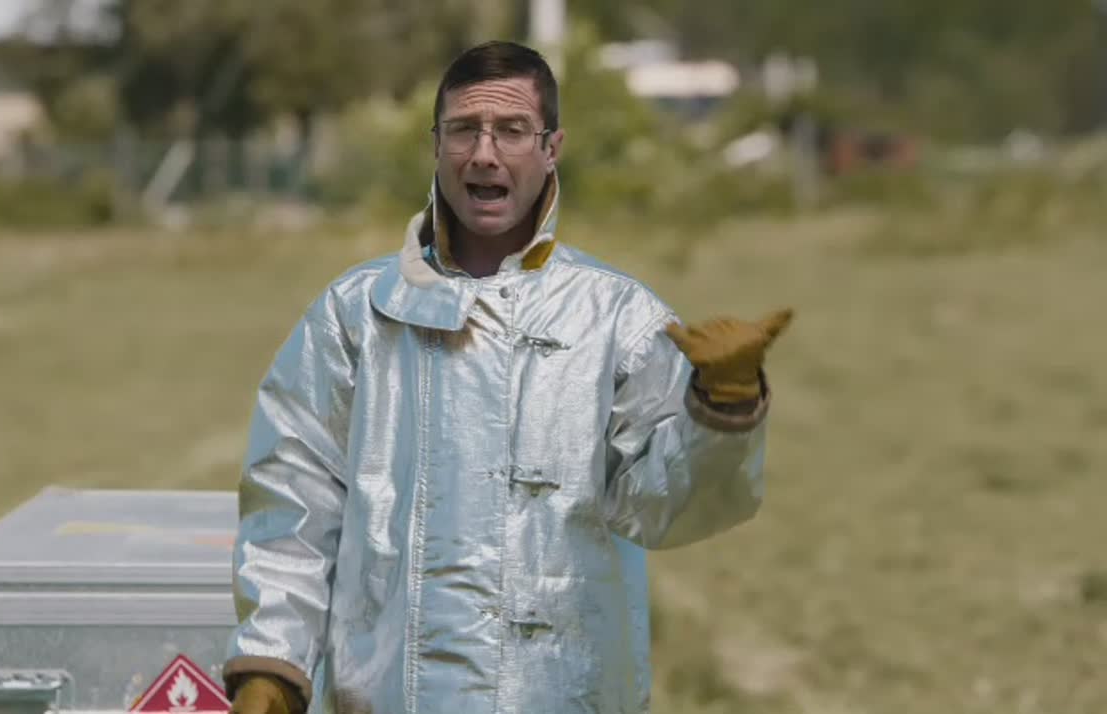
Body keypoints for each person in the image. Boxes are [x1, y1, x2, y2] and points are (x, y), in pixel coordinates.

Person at [223, 40, 793, 714]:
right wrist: (272, 665)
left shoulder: (618, 318)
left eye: (512, 130)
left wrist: (721, 409)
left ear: (552, 148)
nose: (484, 154)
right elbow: (293, 504)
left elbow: (665, 507)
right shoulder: (357, 314)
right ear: (436, 145)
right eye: (464, 129)